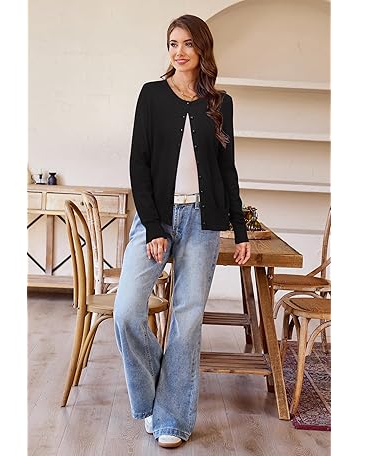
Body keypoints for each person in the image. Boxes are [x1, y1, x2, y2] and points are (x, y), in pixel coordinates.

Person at [114, 14, 250, 449]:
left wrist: (240, 230)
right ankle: (155, 399)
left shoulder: (220, 103)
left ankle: (172, 417)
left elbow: (226, 169)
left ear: (202, 48)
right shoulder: (152, 95)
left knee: (187, 321)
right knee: (127, 311)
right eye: (173, 43)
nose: (179, 51)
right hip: (157, 217)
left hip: (202, 222)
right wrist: (154, 226)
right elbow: (139, 163)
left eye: (188, 43)